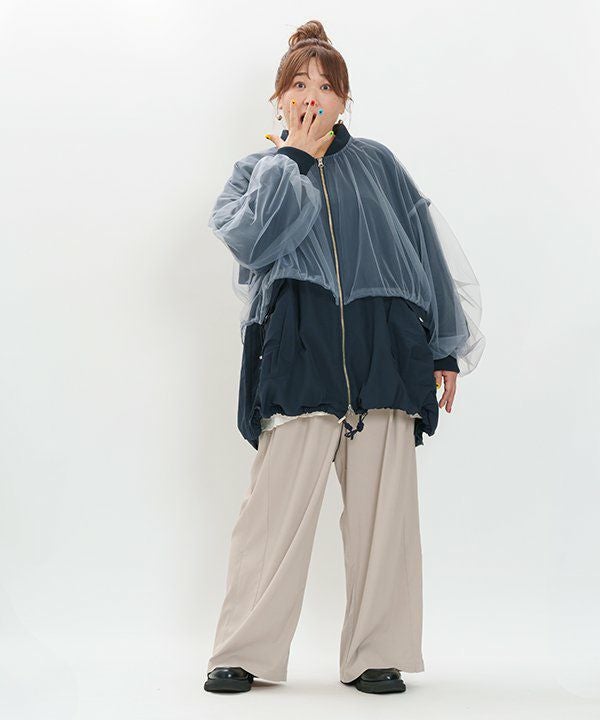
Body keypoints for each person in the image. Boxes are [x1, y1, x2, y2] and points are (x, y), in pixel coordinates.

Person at [204, 19, 485, 694]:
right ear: (280, 98)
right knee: (272, 515)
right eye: (299, 84)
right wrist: (294, 162)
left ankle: (376, 653)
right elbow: (251, 242)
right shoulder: (257, 172)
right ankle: (243, 651)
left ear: (344, 99)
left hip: (384, 349)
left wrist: (444, 347)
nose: (313, 95)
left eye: (327, 86)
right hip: (300, 351)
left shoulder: (379, 165)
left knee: (385, 518)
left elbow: (425, 252)